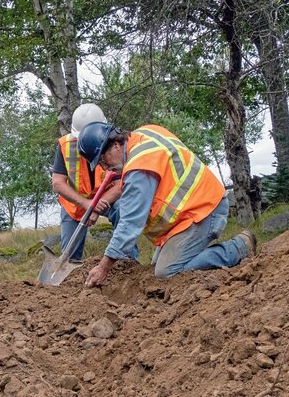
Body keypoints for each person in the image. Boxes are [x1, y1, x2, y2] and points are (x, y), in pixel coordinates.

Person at [77, 121, 256, 287]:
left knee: (166, 273)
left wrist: (103, 267)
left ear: (116, 145)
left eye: (102, 160)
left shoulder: (139, 166)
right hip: (190, 212)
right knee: (155, 267)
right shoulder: (145, 133)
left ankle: (237, 248)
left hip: (204, 212)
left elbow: (130, 224)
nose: (104, 168)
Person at [51, 103, 122, 261]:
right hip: (76, 203)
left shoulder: (115, 145)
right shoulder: (65, 146)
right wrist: (86, 204)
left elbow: (120, 185)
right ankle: (69, 269)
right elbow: (57, 183)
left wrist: (95, 208)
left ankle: (127, 259)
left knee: (121, 209)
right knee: (69, 255)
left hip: (107, 199)